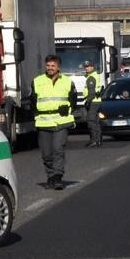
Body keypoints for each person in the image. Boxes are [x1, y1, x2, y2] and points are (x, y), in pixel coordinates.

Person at [30, 54, 77, 190]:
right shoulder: (37, 81)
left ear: (58, 67)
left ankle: (57, 177)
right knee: (46, 154)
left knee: (58, 150)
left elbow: (73, 100)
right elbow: (33, 101)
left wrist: (67, 109)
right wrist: (35, 114)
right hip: (43, 122)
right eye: (48, 65)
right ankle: (50, 176)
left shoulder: (67, 81)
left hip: (61, 122)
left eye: (53, 66)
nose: (50, 68)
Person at [82, 60, 103, 148]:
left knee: (91, 121)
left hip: (93, 102)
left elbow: (91, 92)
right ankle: (98, 140)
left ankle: (94, 141)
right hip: (97, 101)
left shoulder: (91, 77)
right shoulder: (95, 75)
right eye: (86, 67)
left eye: (88, 67)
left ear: (92, 67)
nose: (87, 68)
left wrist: (88, 101)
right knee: (96, 121)